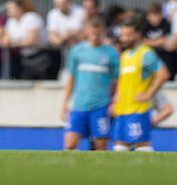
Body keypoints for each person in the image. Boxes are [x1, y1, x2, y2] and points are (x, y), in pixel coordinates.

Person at [111, 16, 170, 152]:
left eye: (128, 35)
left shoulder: (146, 53)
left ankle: (151, 173)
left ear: (138, 34)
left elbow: (163, 74)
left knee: (141, 148)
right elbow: (122, 80)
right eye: (122, 35)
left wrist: (148, 94)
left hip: (138, 110)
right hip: (122, 109)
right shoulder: (125, 55)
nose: (124, 38)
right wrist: (116, 99)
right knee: (119, 148)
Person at [61, 18, 118, 151]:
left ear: (103, 33)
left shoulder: (111, 53)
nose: (94, 37)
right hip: (79, 105)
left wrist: (116, 100)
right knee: (70, 144)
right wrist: (65, 102)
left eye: (97, 34)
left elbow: (117, 79)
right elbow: (72, 78)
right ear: (86, 32)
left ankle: (100, 171)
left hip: (101, 105)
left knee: (101, 145)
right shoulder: (77, 51)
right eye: (91, 33)